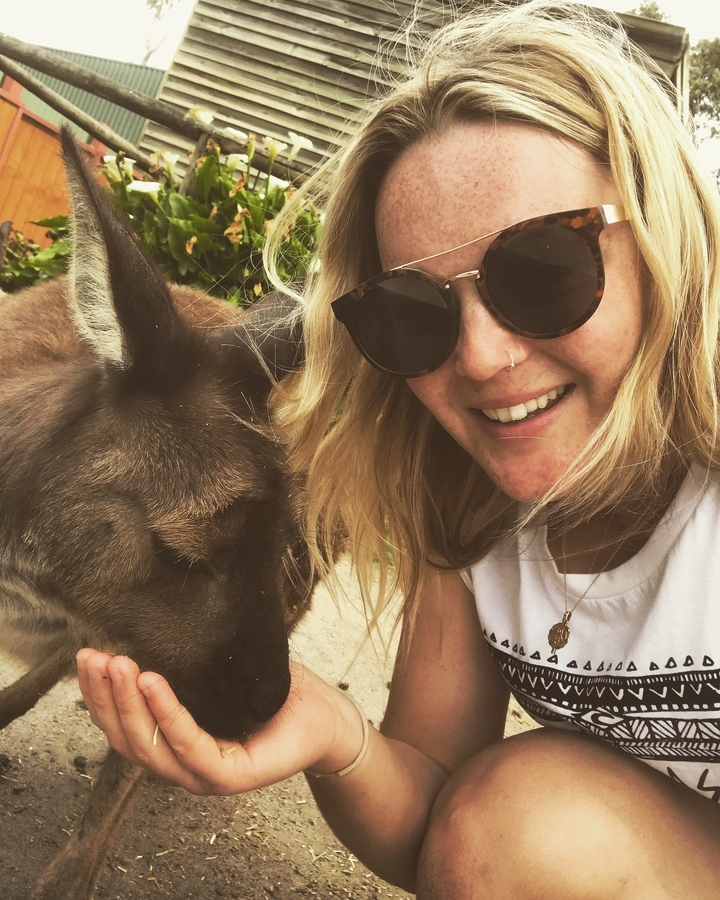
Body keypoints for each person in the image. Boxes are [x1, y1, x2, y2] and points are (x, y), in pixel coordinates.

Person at [76, 1, 720, 896]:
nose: (481, 359)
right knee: (516, 817)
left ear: (666, 243)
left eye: (542, 269)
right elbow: (447, 835)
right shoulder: (470, 500)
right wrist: (331, 732)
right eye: (412, 314)